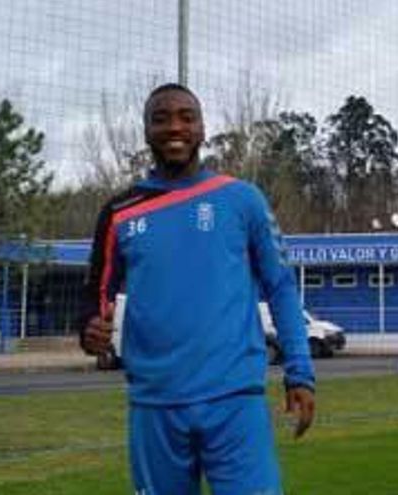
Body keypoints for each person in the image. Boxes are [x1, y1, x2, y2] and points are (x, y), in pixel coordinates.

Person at [79, 82, 315, 495]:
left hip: (234, 400)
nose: (175, 127)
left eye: (187, 118)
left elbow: (280, 287)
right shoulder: (118, 213)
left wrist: (300, 372)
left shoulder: (243, 200)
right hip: (155, 405)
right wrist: (88, 331)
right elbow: (94, 298)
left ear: (202, 129)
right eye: (161, 118)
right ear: (146, 131)